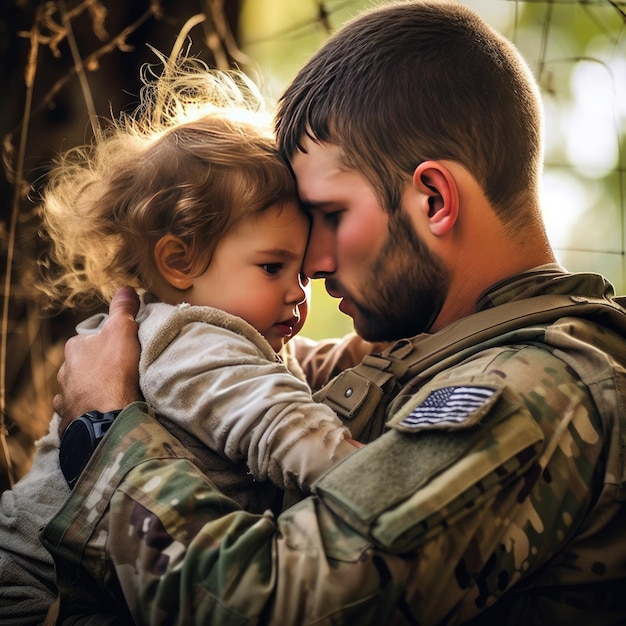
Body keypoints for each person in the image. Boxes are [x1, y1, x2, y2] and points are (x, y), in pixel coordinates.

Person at [42, 0, 626, 624]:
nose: (311, 265)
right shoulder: (444, 351)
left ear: (433, 199)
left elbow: (275, 608)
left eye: (330, 216)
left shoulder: (532, 389)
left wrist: (103, 431)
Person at [0, 58, 382, 625]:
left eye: (301, 272)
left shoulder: (213, 340)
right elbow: (274, 418)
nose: (299, 293)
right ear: (180, 261)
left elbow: (285, 372)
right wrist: (360, 472)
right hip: (35, 587)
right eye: (274, 267)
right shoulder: (190, 342)